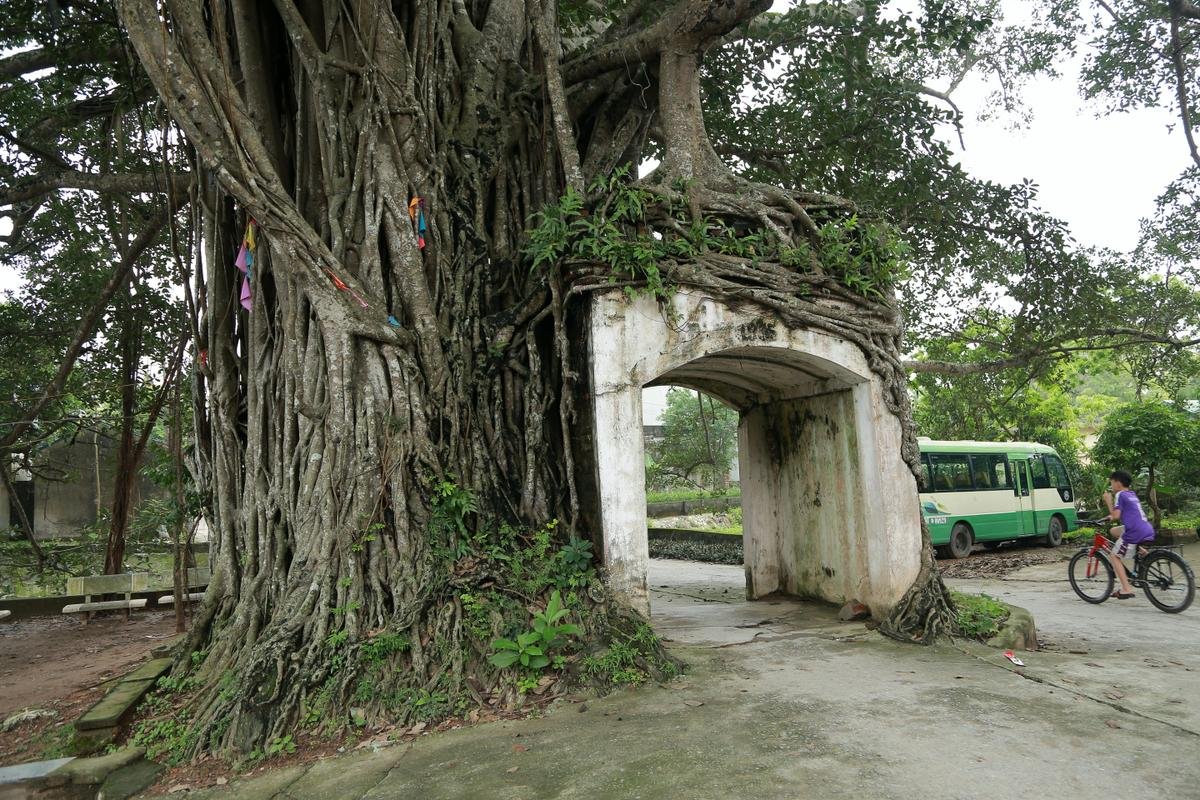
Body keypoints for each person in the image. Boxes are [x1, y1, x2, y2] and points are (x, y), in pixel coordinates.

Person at [1101, 470, 1156, 599]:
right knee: (1113, 531)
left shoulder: (1120, 494)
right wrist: (1109, 516)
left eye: (1112, 483)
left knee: (1114, 556)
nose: (1111, 486)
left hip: (1134, 532)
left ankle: (1126, 589)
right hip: (1146, 528)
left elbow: (1116, 515)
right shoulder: (1131, 494)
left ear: (1118, 483)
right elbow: (1123, 514)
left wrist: (1108, 501)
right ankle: (1138, 549)